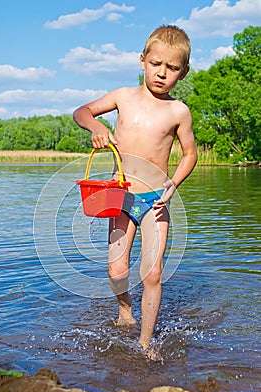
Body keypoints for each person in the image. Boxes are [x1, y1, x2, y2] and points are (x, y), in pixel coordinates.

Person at [73, 25, 197, 357]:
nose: (162, 73)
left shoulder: (178, 111)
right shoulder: (122, 97)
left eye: (172, 68)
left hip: (156, 199)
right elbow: (81, 112)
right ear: (142, 60)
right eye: (156, 63)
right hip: (121, 195)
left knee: (152, 273)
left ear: (182, 73)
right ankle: (125, 311)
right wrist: (97, 126)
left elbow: (190, 154)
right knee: (116, 269)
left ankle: (145, 344)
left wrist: (174, 184)